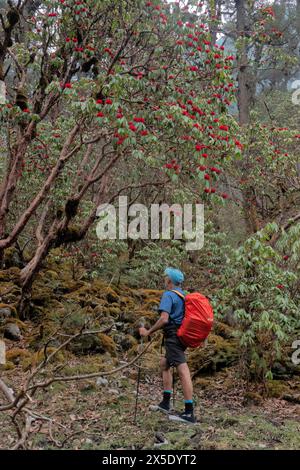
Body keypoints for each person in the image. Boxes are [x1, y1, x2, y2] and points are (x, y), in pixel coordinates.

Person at [139, 267, 196, 424]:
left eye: (165, 276)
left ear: (169, 280)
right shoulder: (183, 296)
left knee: (183, 370)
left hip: (173, 337)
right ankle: (165, 403)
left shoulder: (169, 295)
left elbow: (164, 319)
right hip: (182, 336)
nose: (164, 278)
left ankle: (189, 413)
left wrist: (148, 332)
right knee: (165, 364)